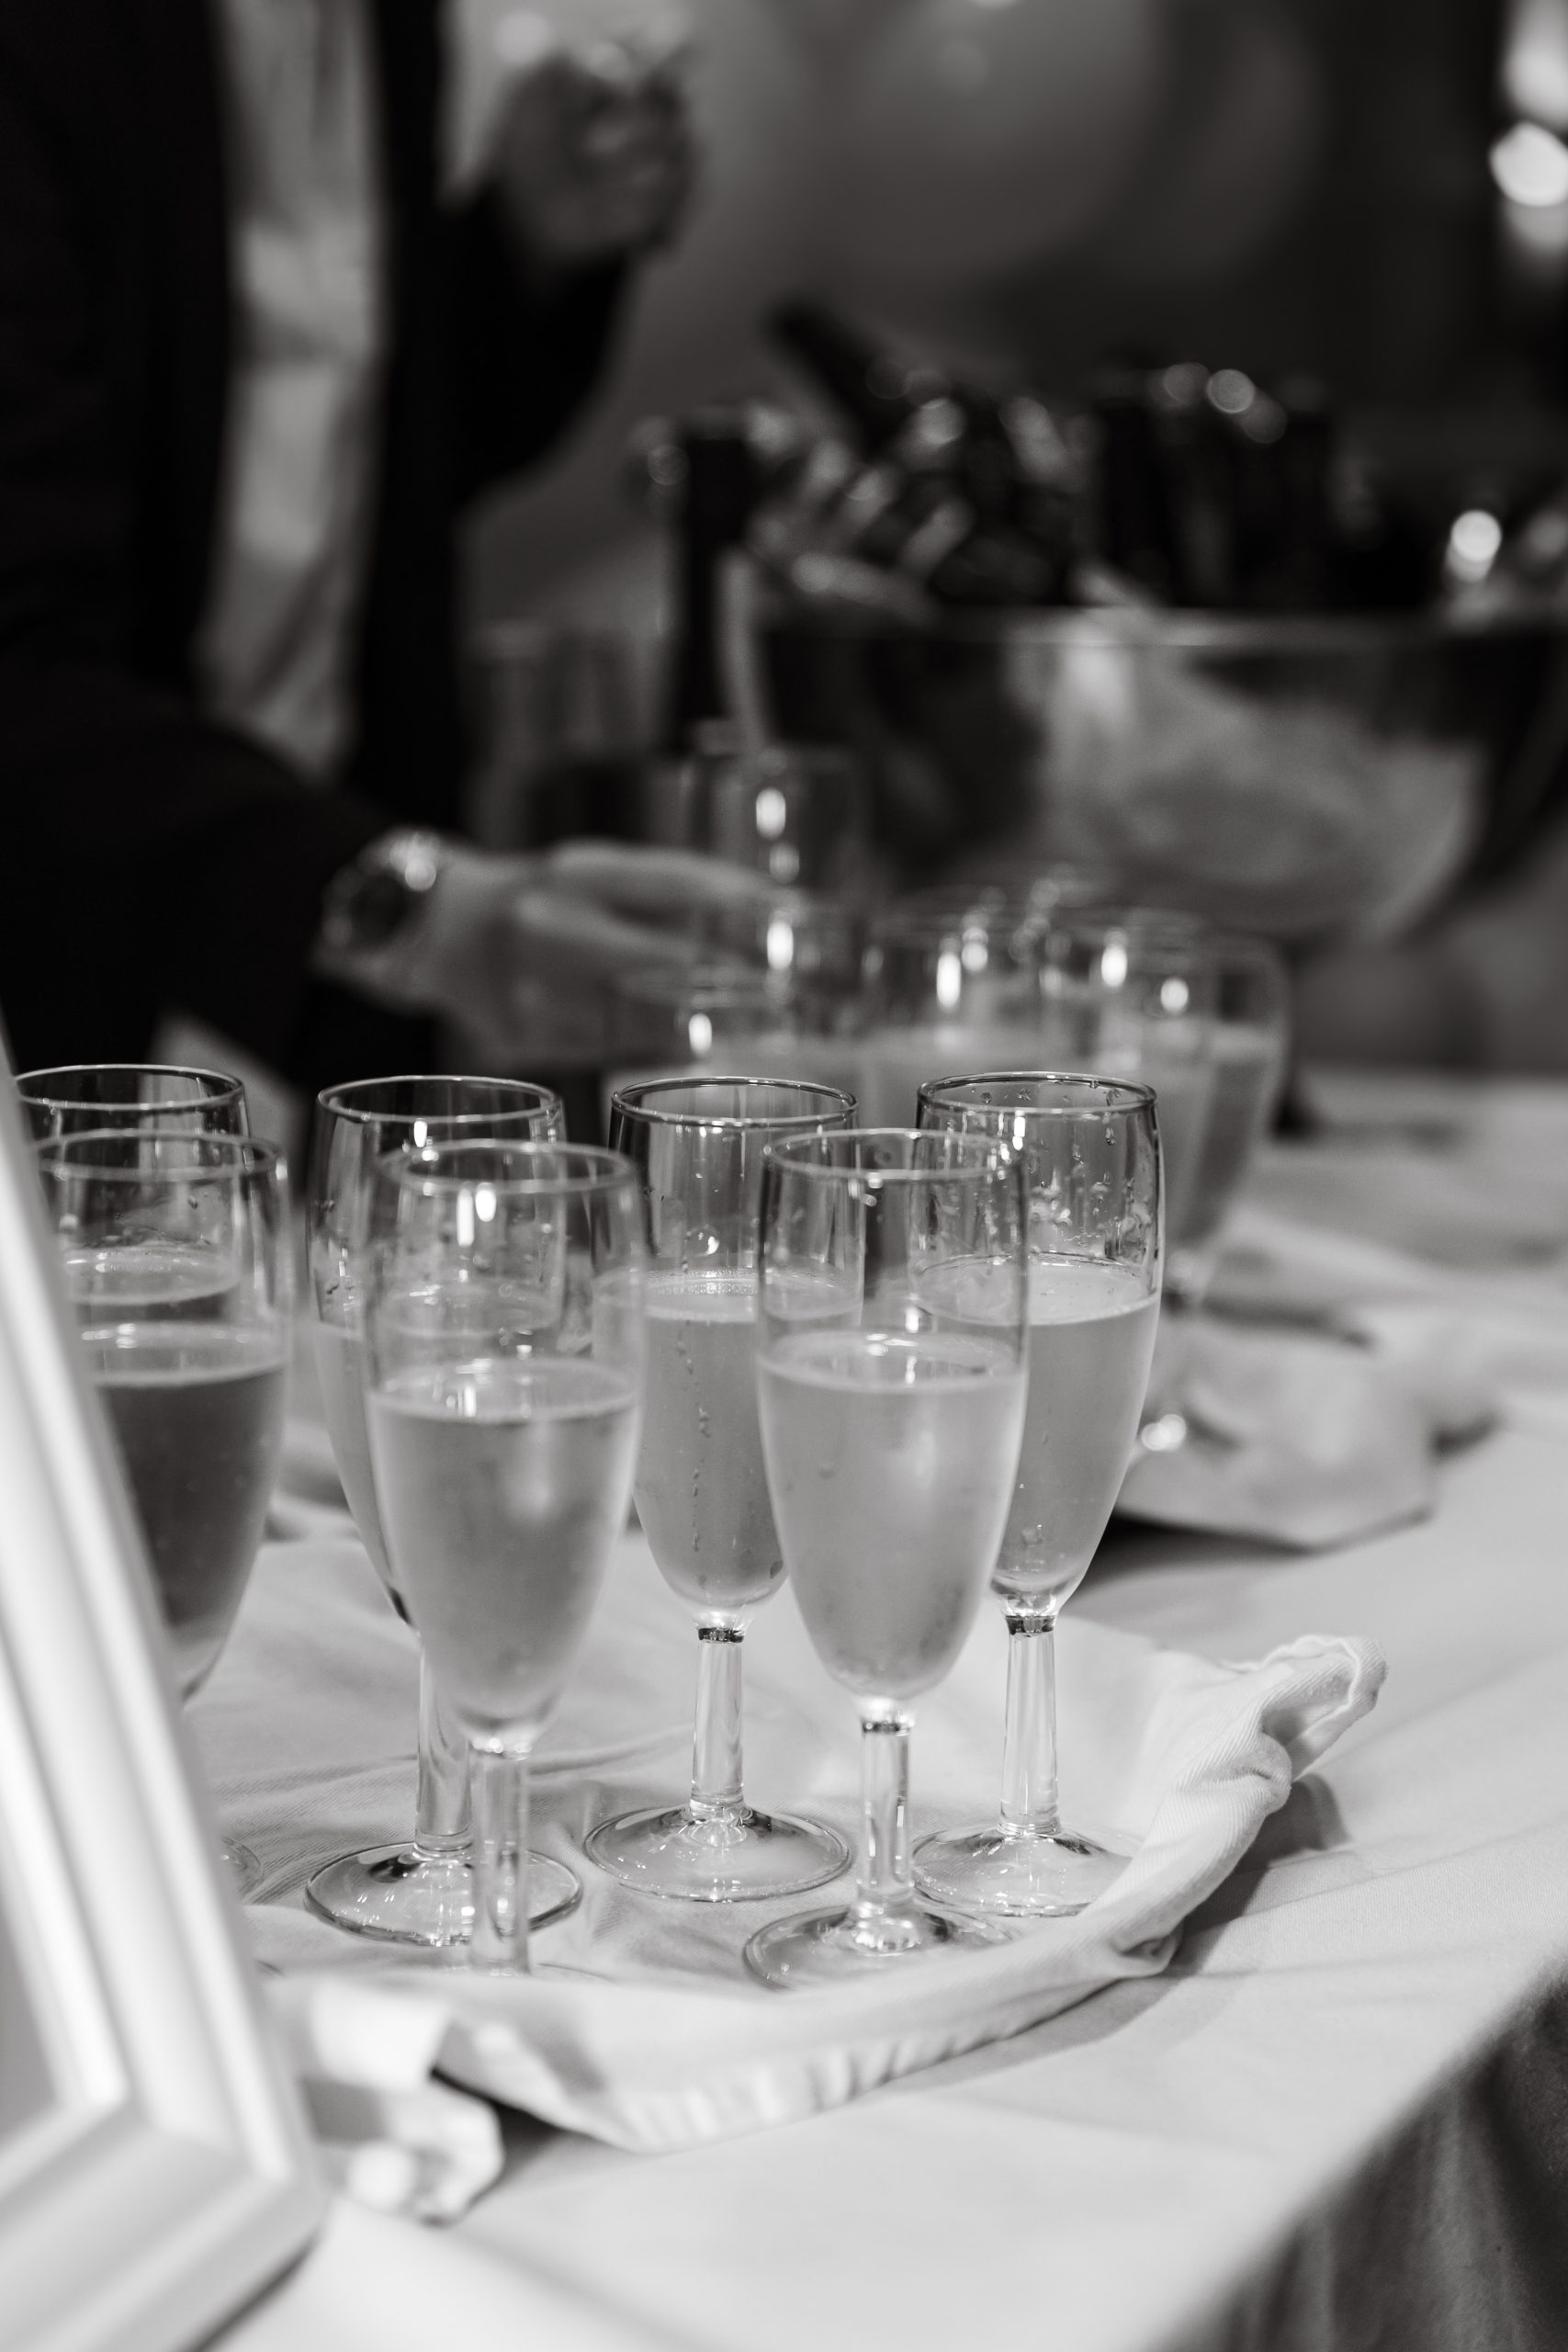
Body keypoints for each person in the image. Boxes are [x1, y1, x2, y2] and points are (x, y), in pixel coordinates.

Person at [0, 0, 761, 1091]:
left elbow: (346, 469)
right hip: (73, 961)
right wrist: (406, 912)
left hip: (327, 950)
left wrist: (522, 249)